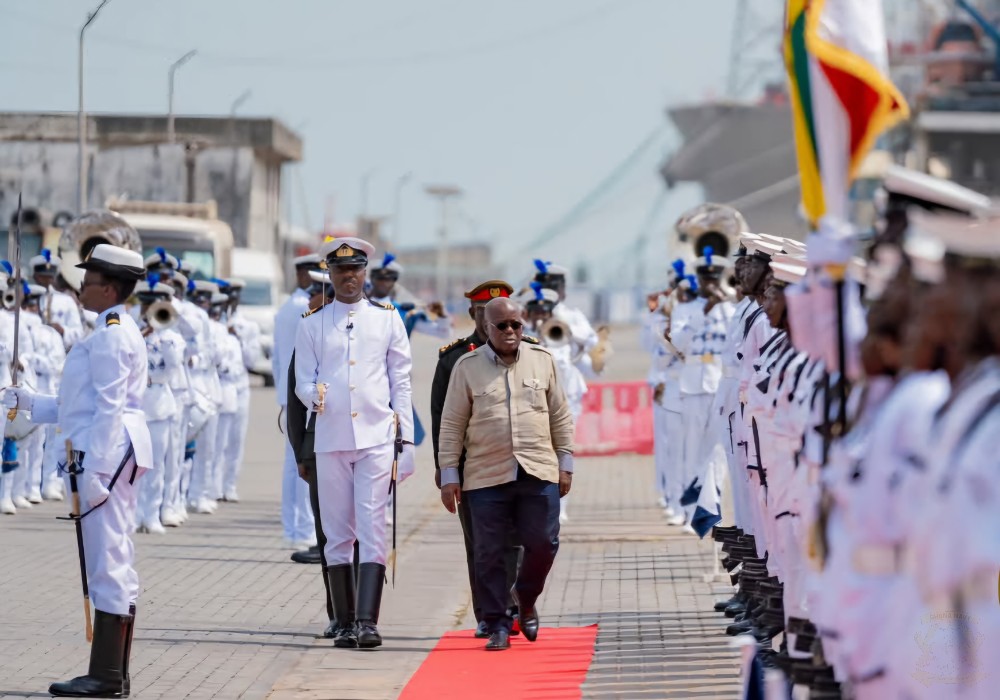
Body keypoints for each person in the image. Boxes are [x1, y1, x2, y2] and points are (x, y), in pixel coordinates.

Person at [6, 243, 152, 698]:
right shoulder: (108, 328)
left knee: (107, 563)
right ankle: (113, 673)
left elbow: (109, 408)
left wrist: (97, 476)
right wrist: (31, 402)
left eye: (88, 282)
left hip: (105, 455)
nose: (81, 288)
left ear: (109, 289)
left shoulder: (111, 333)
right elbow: (80, 406)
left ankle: (106, 676)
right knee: (113, 561)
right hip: (107, 450)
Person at [294, 236, 415, 650]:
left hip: (377, 437)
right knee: (336, 531)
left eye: (356, 269)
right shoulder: (312, 323)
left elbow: (401, 381)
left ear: (366, 273)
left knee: (372, 525)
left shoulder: (387, 318)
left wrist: (409, 441)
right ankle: (343, 621)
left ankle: (366, 621)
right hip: (330, 438)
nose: (349, 277)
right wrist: (314, 394)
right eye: (341, 270)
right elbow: (301, 380)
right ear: (329, 274)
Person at [437, 297, 575, 651]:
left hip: (537, 468)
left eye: (516, 324)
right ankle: (498, 622)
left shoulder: (542, 360)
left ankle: (525, 600)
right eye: (503, 326)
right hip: (485, 475)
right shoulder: (467, 367)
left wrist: (566, 462)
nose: (511, 331)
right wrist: (449, 473)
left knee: (544, 542)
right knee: (489, 552)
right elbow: (451, 424)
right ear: (487, 328)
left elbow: (559, 414)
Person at [430, 279, 524, 639]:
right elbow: (442, 418)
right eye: (489, 315)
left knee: (517, 539)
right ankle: (488, 613)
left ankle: (514, 605)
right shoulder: (454, 358)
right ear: (474, 314)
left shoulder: (527, 351)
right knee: (482, 544)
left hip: (519, 465)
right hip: (473, 469)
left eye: (507, 316)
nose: (500, 323)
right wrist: (446, 468)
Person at [274, 253, 321, 549]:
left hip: (294, 393)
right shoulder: (299, 309)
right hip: (301, 395)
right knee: (302, 463)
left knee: (296, 465)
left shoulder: (292, 307)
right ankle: (300, 528)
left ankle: (296, 528)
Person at [133, 279, 184, 534]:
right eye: (146, 304)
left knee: (156, 463)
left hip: (161, 403)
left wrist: (161, 336)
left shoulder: (171, 337)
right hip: (136, 404)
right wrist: (141, 335)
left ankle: (152, 514)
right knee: (133, 463)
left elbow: (174, 367)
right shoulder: (131, 331)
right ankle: (133, 514)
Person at [222, 278, 259, 502]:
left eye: (234, 297)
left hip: (240, 387)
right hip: (220, 386)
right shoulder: (212, 324)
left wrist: (239, 337)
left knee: (236, 439)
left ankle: (230, 484)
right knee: (219, 440)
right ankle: (213, 486)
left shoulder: (248, 326)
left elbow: (252, 361)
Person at [31, 248, 86, 350]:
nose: (47, 280)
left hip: (57, 358)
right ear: (35, 277)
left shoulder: (66, 301)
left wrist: (63, 330)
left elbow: (79, 334)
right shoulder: (26, 300)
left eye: (49, 277)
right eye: (42, 277)